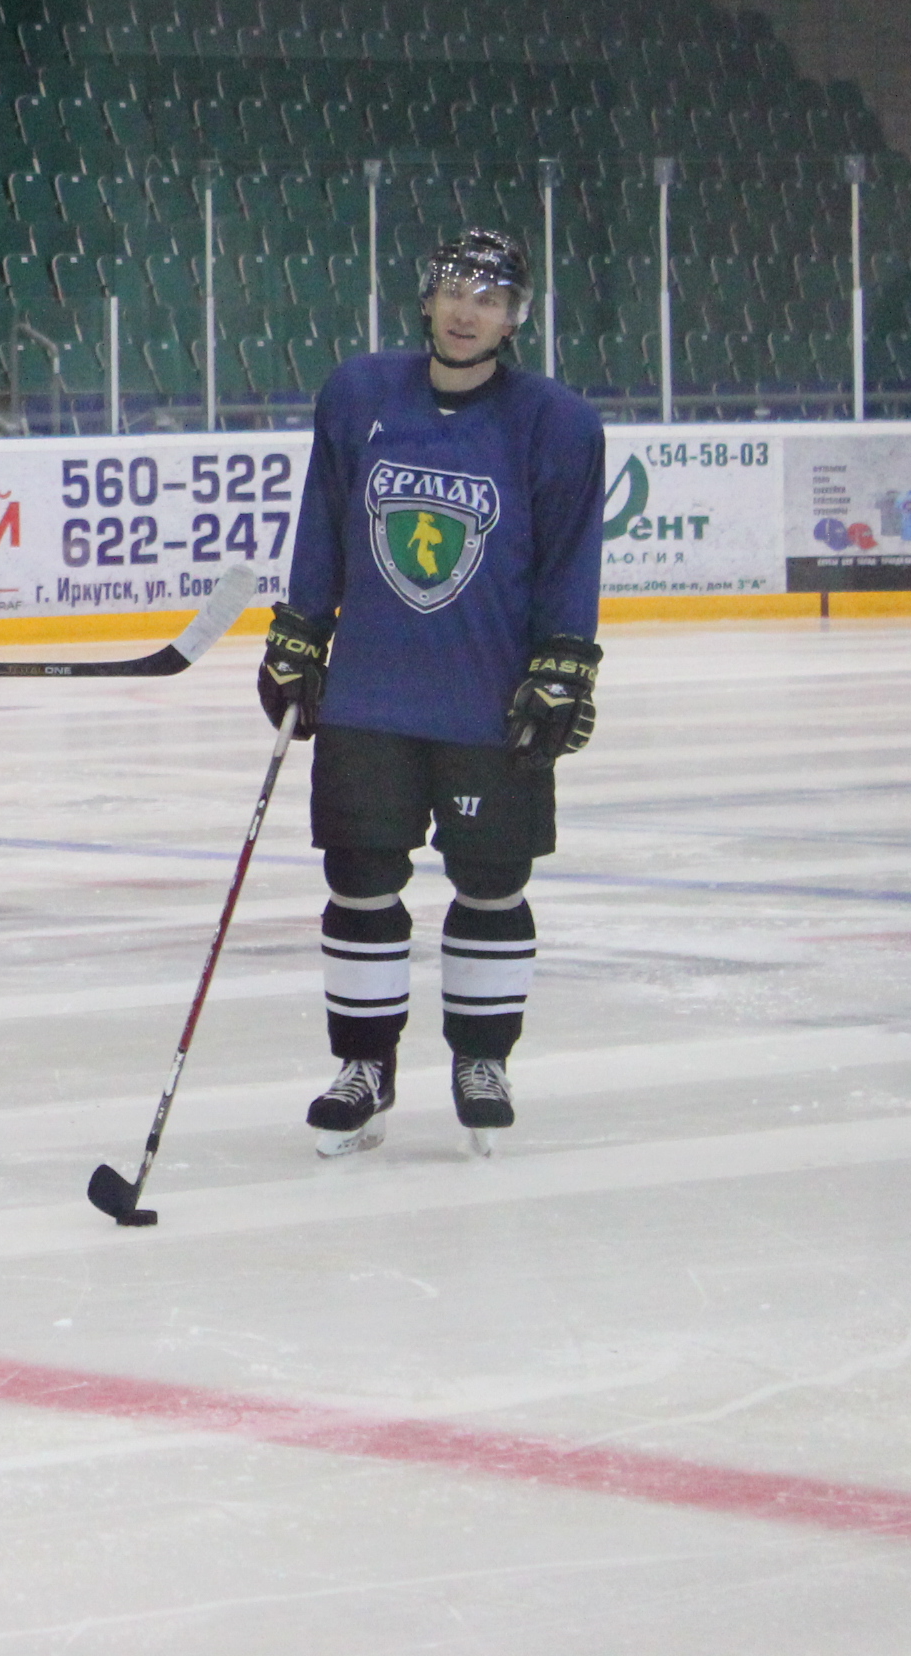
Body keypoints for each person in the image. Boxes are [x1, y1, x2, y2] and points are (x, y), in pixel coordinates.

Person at [261, 227, 605, 1159]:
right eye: (455, 291)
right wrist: (298, 630)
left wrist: (565, 662)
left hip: (485, 701)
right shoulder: (360, 393)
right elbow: (325, 522)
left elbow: (570, 559)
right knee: (359, 880)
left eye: (489, 299)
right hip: (371, 695)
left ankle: (481, 1058)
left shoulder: (557, 423)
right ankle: (363, 1066)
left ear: (514, 317)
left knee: (493, 882)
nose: (467, 312)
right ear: (426, 298)